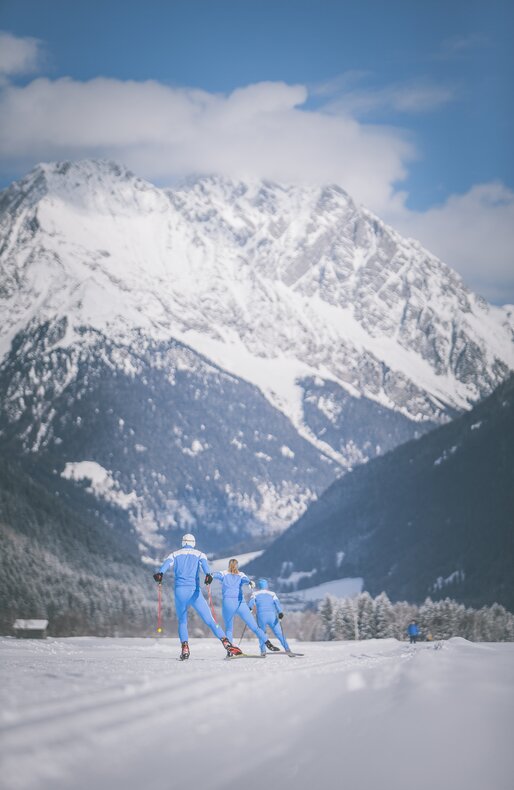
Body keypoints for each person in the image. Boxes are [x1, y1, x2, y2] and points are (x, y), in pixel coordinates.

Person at [153, 533, 242, 660]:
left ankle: (185, 648)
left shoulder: (174, 554)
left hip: (180, 592)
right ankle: (226, 642)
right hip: (194, 592)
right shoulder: (200, 554)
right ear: (194, 543)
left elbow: (166, 565)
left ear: (183, 542)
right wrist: (208, 576)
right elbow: (206, 568)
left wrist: (160, 573)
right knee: (210, 621)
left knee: (182, 621)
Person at [209, 559, 278, 656]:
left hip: (228, 603)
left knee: (229, 628)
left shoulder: (223, 573)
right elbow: (246, 580)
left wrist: (210, 576)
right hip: (240, 603)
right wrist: (250, 582)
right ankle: (268, 643)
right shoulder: (241, 574)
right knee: (254, 626)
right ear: (237, 566)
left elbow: (215, 574)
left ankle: (230, 652)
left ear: (229, 565)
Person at [249, 578, 290, 653]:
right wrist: (280, 612)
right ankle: (287, 649)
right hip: (272, 616)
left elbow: (251, 604)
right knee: (279, 633)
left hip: (261, 616)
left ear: (259, 586)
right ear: (266, 586)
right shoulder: (272, 594)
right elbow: (277, 604)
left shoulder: (255, 594)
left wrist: (250, 609)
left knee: (262, 634)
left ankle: (263, 651)